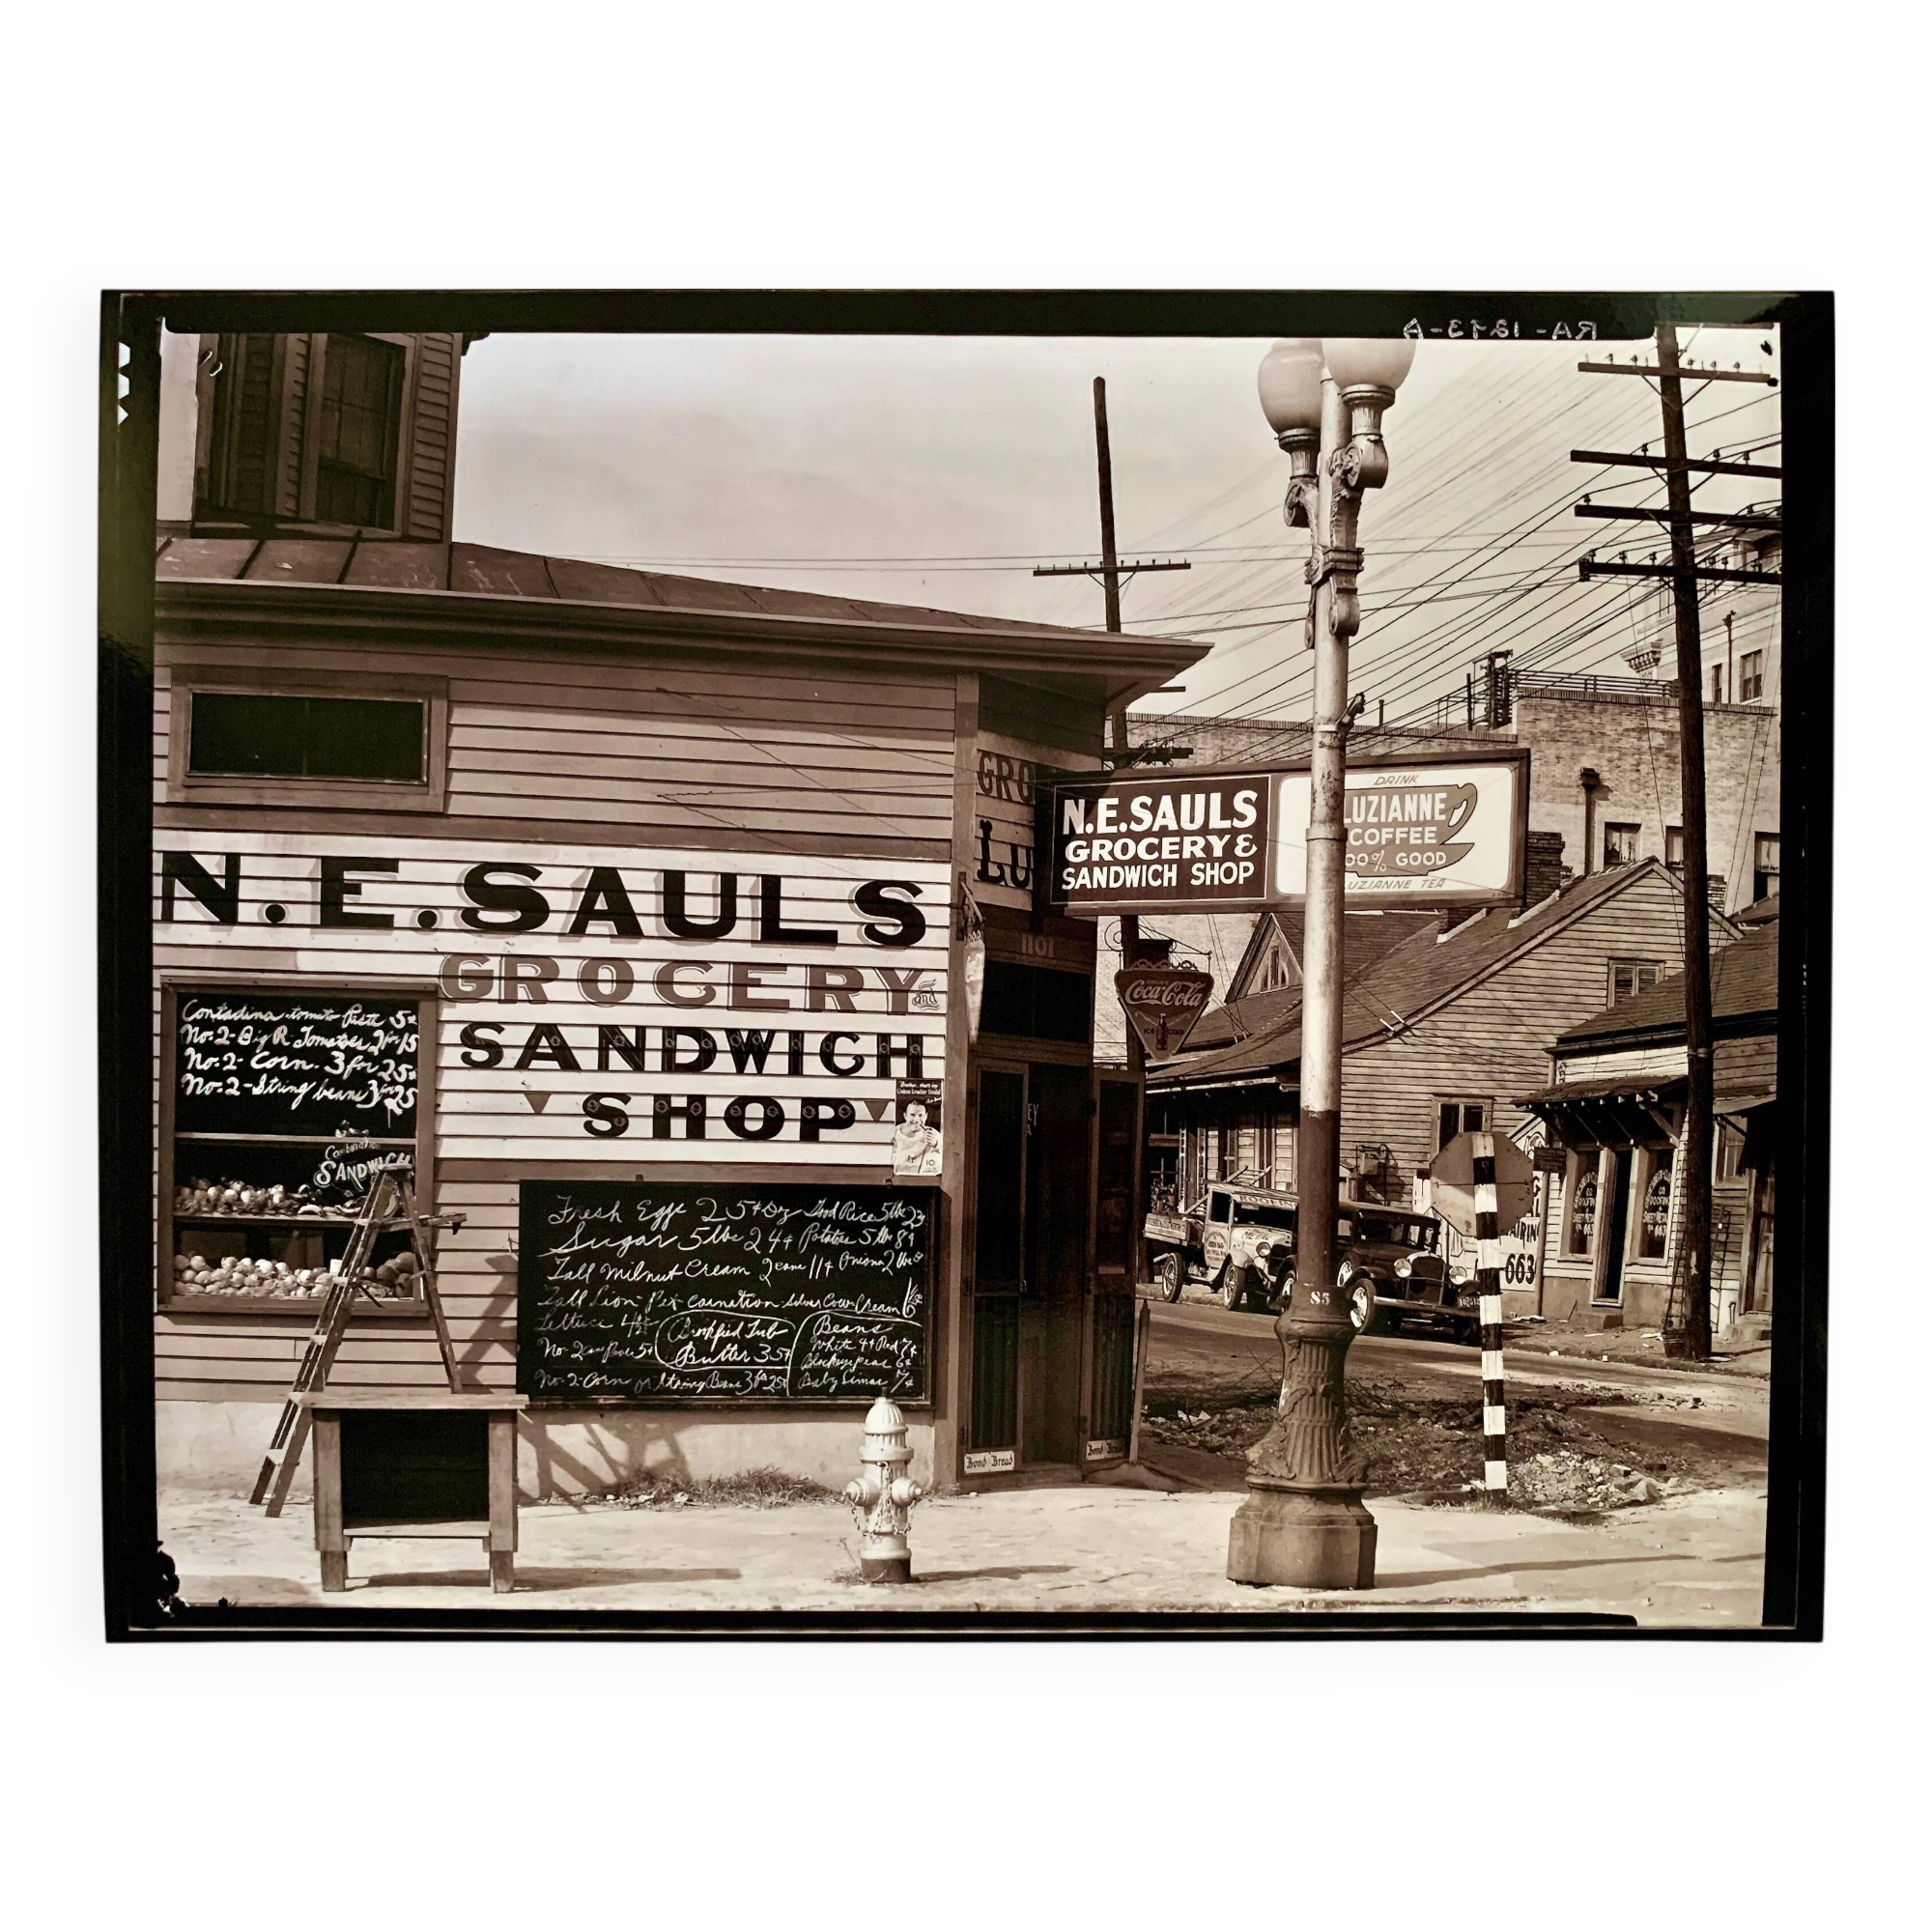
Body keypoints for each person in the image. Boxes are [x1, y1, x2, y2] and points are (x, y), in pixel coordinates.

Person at [893, 1100, 941, 1178]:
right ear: (905, 1116)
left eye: (920, 1115)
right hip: (899, 1181)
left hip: (926, 1182)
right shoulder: (894, 1133)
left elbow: (948, 1152)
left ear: (926, 1116)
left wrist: (936, 1144)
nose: (916, 1120)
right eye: (912, 1115)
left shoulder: (933, 1134)